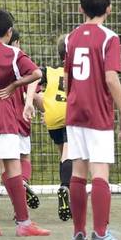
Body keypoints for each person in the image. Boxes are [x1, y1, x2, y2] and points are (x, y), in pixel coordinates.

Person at [0, 9, 50, 236]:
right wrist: (14, 85)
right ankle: (23, 223)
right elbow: (36, 74)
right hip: (2, 115)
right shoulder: (12, 53)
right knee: (13, 166)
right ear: (9, 31)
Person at [64, 0, 121, 240]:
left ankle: (78, 233)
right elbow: (111, 78)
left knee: (78, 172)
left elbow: (68, 75)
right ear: (109, 9)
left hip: (75, 110)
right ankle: (101, 235)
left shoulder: (71, 37)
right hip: (98, 111)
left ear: (81, 8)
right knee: (100, 173)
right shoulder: (109, 37)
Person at [0, 27, 41, 210]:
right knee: (24, 158)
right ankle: (23, 183)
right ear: (16, 42)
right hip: (20, 117)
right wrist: (37, 105)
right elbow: (35, 78)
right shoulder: (20, 60)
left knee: (4, 167)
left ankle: (18, 202)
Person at [35, 34, 73, 221]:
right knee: (69, 153)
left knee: (63, 153)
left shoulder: (49, 71)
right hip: (70, 115)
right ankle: (65, 187)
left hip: (52, 118)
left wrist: (35, 103)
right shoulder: (77, 71)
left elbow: (32, 77)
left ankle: (67, 189)